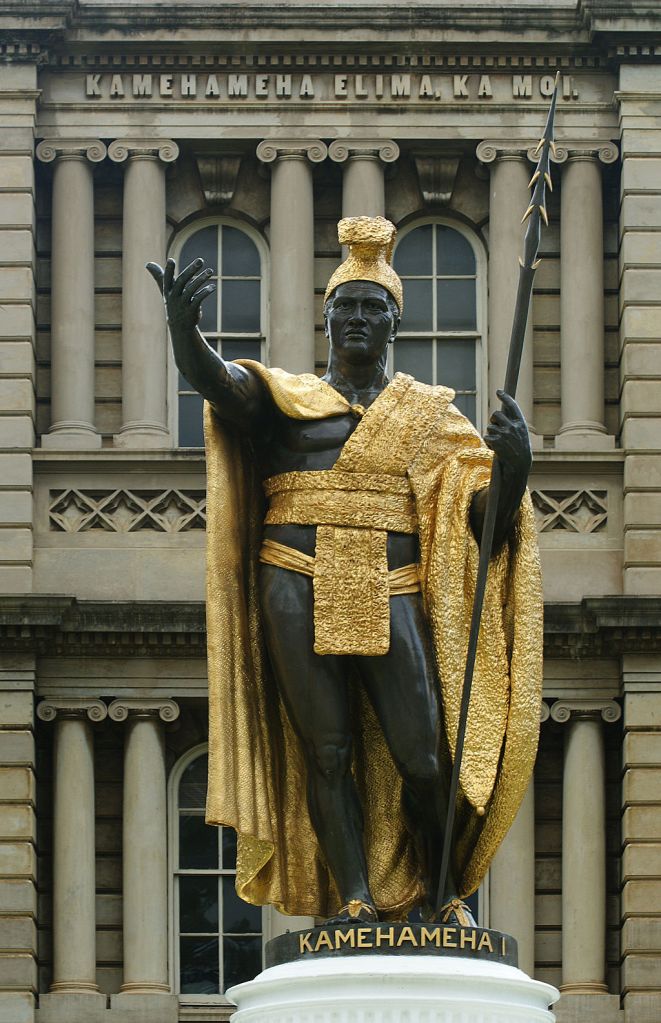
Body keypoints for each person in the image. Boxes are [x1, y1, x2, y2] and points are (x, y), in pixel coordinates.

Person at [148, 216, 543, 925]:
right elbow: (216, 382)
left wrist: (511, 468)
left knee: (423, 755)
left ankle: (444, 892)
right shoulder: (287, 399)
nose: (356, 319)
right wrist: (184, 331)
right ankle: (354, 895)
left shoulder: (428, 416)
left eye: (371, 308)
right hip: (293, 575)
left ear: (394, 320)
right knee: (325, 750)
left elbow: (483, 521)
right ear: (326, 321)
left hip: (392, 583)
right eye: (344, 309)